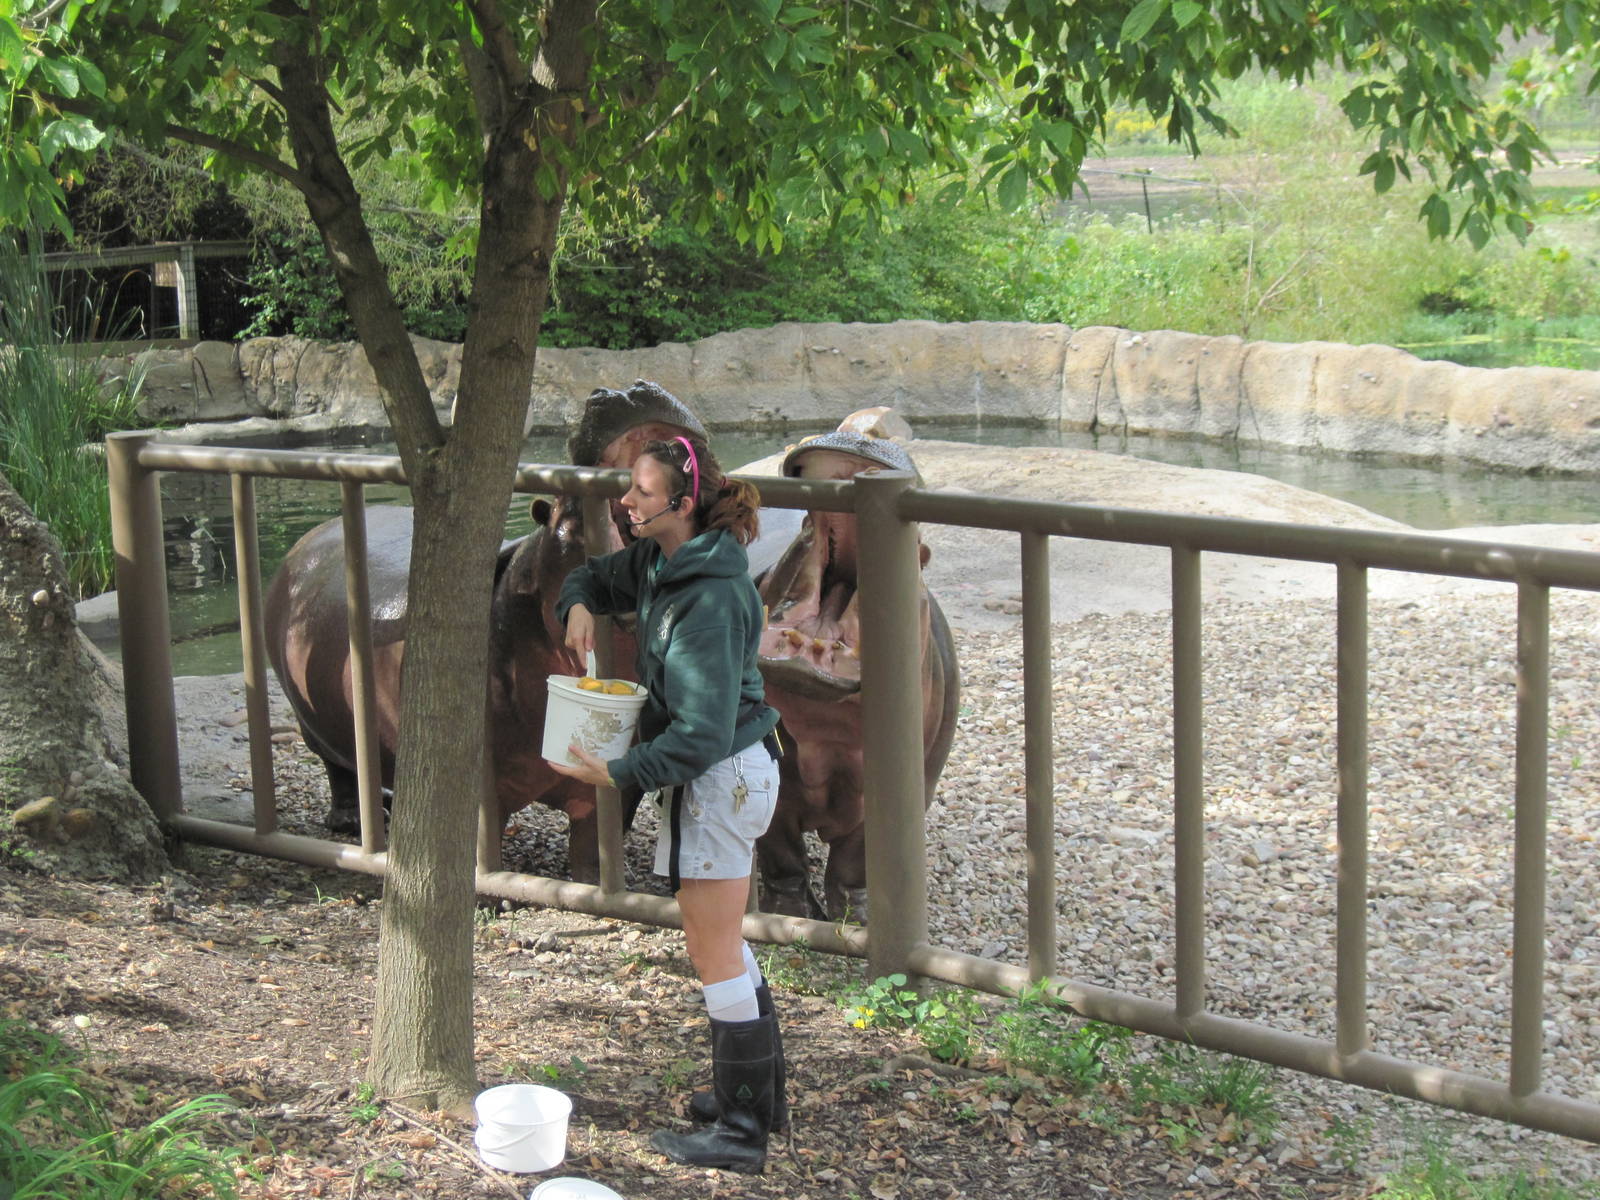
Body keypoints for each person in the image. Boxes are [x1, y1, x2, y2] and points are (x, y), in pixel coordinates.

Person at [547, 433, 786, 1174]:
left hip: (720, 777)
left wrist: (619, 772)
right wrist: (579, 605)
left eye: (642, 493)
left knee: (713, 949)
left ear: (681, 503)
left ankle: (741, 1131)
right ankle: (758, 1099)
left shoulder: (709, 598)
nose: (625, 502)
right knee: (722, 941)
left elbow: (700, 736)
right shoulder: (659, 559)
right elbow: (591, 575)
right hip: (721, 774)